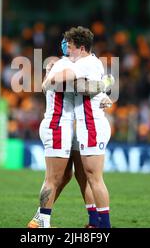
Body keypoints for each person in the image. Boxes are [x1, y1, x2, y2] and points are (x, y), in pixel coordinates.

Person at [28, 37, 113, 228]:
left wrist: (104, 95)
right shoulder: (64, 65)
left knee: (74, 175)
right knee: (55, 178)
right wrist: (103, 86)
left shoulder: (80, 64)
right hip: (58, 126)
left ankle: (90, 222)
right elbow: (77, 86)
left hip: (71, 126)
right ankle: (41, 220)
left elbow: (82, 87)